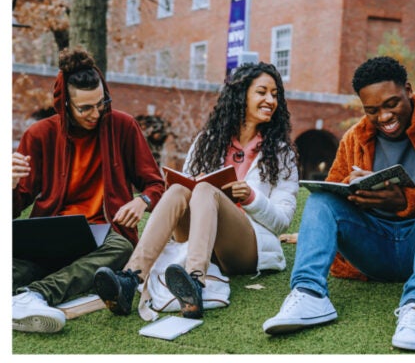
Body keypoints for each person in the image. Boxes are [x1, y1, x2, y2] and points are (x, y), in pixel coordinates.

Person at [93, 62, 299, 319]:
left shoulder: (280, 153)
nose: (270, 99)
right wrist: (194, 182)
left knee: (205, 191)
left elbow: (281, 221)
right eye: (262, 92)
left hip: (246, 248)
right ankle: (130, 278)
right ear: (241, 95)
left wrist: (251, 197)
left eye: (275, 94)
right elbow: (188, 191)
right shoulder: (208, 141)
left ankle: (195, 283)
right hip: (198, 238)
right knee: (181, 189)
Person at [263, 56, 415, 351]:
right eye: (372, 110)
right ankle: (309, 293)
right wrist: (358, 195)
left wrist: (405, 200)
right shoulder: (354, 138)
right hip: (374, 248)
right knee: (322, 197)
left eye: (392, 104)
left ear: (409, 89)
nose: (384, 117)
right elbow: (336, 191)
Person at [12, 47, 165, 333]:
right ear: (65, 104)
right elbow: (15, 206)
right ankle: (22, 297)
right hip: (50, 235)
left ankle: (35, 296)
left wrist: (141, 200)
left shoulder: (123, 126)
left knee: (122, 248)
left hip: (104, 237)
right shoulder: (39, 135)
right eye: (85, 108)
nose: (96, 113)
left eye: (101, 103)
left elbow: (156, 183)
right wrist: (7, 186)